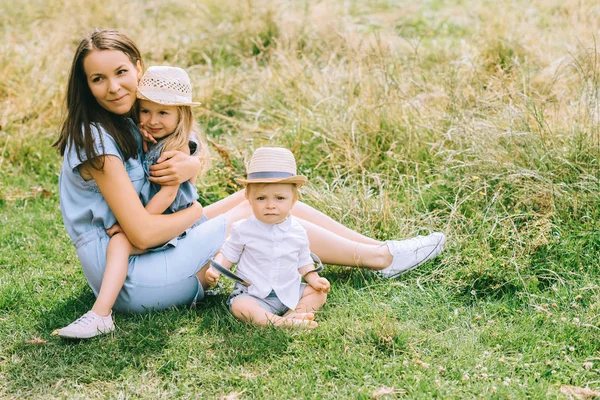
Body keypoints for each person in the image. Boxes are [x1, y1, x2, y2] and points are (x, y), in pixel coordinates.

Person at [53, 28, 446, 339]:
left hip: (153, 245)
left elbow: (183, 140)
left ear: (139, 68)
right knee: (256, 206)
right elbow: (138, 228)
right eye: (98, 79)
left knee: (251, 194)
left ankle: (378, 251)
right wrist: (193, 212)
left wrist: (193, 164)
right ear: (85, 86)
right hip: (130, 277)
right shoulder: (96, 140)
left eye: (121, 72)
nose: (114, 86)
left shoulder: (134, 118)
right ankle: (382, 261)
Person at [57, 65, 206, 338]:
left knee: (121, 241)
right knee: (121, 243)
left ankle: (101, 313)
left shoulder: (174, 149)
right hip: (167, 217)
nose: (152, 120)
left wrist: (139, 222)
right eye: (145, 111)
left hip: (167, 215)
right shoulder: (149, 135)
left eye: (163, 113)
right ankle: (100, 313)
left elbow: (168, 194)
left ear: (181, 116)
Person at [206, 147, 331, 329]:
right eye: (261, 198)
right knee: (241, 306)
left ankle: (294, 314)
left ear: (293, 199)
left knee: (318, 293)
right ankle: (282, 323)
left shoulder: (297, 230)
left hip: (289, 292)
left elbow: (303, 261)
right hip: (254, 294)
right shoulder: (243, 228)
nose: (270, 205)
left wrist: (313, 279)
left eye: (280, 198)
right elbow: (228, 253)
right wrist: (215, 270)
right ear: (248, 197)